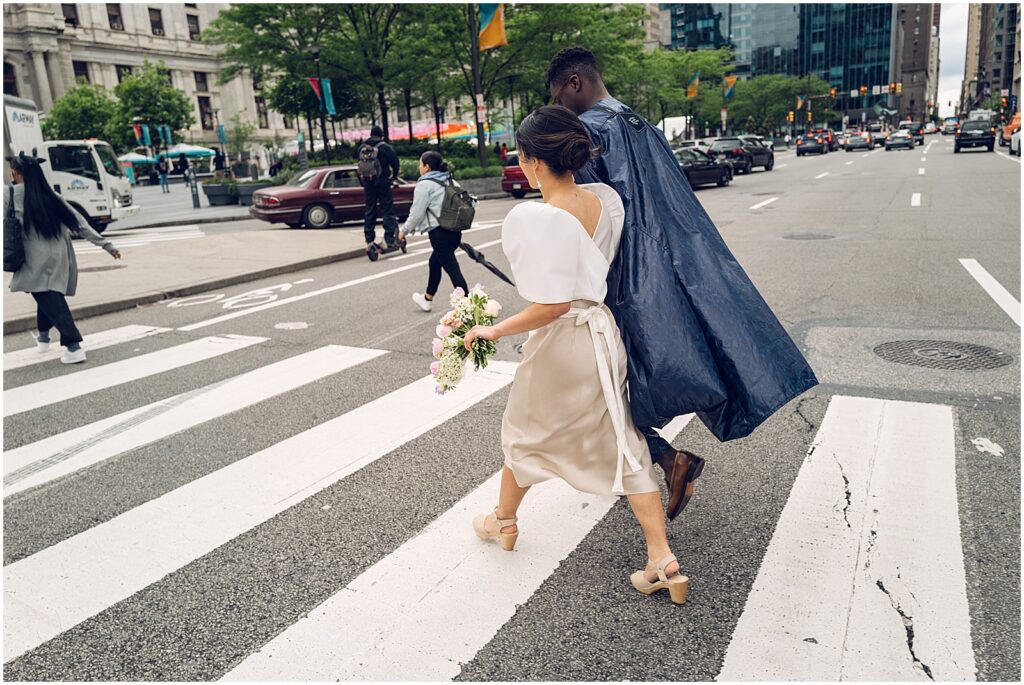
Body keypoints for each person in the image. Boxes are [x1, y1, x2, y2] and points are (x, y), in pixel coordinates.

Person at [546, 47, 817, 520]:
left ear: (574, 82)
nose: (560, 109)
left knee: (606, 386)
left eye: (558, 96)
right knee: (677, 363)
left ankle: (667, 464)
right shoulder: (639, 124)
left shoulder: (592, 133)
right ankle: (668, 461)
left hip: (625, 280)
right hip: (677, 264)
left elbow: (588, 215)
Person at [462, 106, 689, 604]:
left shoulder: (539, 217)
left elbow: (552, 304)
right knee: (624, 441)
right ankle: (661, 557)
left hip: (563, 339)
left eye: (521, 158)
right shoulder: (603, 202)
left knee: (524, 432)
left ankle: (503, 521)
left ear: (534, 162)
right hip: (603, 336)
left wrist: (492, 329)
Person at [4, 154, 121, 364]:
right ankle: (43, 336)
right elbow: (80, 223)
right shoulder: (50, 195)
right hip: (59, 255)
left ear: (15, 172)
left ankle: (73, 346)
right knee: (46, 291)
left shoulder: (9, 193)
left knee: (47, 296)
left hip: (33, 256)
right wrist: (107, 245)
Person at [402, 151, 469, 312]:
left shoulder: (424, 185)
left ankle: (468, 305)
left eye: (420, 164)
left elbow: (417, 212)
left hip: (439, 233)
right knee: (435, 262)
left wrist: (403, 231)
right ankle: (427, 298)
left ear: (427, 167)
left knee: (452, 268)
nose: (419, 167)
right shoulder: (450, 180)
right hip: (454, 230)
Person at [358, 125, 403, 258]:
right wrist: (394, 176)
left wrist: (364, 182)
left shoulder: (362, 148)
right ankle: (389, 238)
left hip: (368, 183)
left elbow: (359, 165)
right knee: (387, 209)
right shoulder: (385, 147)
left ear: (370, 134)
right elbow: (395, 163)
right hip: (382, 182)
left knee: (369, 210)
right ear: (381, 135)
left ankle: (369, 240)